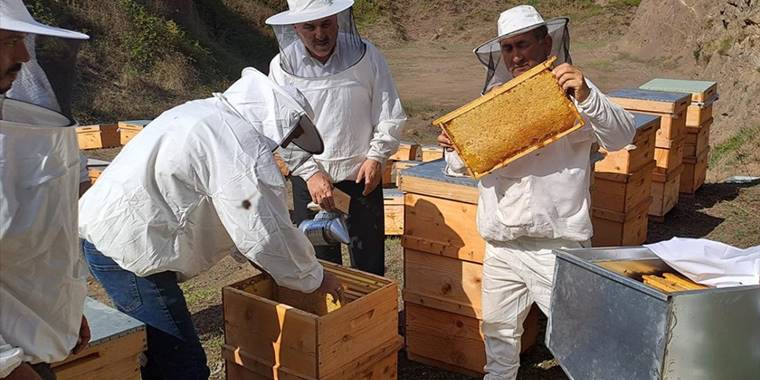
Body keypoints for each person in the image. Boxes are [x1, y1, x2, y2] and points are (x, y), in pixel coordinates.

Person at [78, 67, 344, 380]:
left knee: (158, 355)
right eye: (290, 133)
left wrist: (270, 262)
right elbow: (263, 232)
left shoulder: (205, 115)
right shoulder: (239, 146)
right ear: (276, 119)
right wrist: (315, 278)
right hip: (127, 253)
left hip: (112, 236)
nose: (284, 143)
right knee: (183, 366)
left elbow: (233, 212)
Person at [437, 5, 636, 379]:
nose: (516, 56)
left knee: (583, 340)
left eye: (523, 45)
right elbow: (461, 168)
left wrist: (588, 94)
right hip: (501, 245)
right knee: (498, 337)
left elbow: (623, 134)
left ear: (545, 43)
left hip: (555, 247)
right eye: (508, 48)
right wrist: (453, 147)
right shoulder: (492, 101)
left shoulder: (575, 93)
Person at [266, 0, 407, 276]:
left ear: (337, 19)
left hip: (362, 176)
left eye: (326, 24)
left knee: (369, 265)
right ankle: (330, 319)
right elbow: (281, 128)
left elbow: (389, 112)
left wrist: (377, 156)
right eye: (310, 26)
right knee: (319, 264)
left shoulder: (368, 55)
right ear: (295, 27)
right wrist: (309, 173)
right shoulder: (281, 67)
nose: (320, 34)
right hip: (312, 179)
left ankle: (371, 319)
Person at [0, 1, 91, 379]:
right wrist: (7, 365)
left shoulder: (11, 123)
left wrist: (63, 308)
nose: (23, 54)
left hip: (24, 346)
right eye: (8, 40)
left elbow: (27, 243)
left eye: (23, 39)